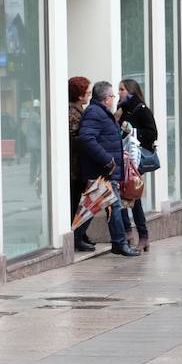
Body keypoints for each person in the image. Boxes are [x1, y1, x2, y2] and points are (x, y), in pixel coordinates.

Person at [76, 80, 139, 257]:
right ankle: (119, 243)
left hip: (105, 170)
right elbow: (86, 138)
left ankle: (77, 236)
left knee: (92, 206)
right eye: (112, 96)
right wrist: (108, 160)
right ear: (105, 98)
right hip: (102, 171)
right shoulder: (95, 113)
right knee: (114, 206)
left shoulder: (101, 112)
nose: (114, 98)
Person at [116, 78, 158, 252]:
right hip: (123, 158)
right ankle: (127, 232)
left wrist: (132, 130)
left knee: (134, 197)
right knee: (122, 195)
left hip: (136, 159)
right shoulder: (122, 109)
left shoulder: (141, 110)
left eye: (122, 89)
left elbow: (152, 133)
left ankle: (143, 235)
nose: (119, 93)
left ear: (131, 92)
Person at [67, 76, 94, 252]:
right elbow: (74, 140)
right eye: (87, 92)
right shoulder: (72, 113)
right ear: (79, 95)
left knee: (80, 200)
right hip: (75, 166)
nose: (89, 96)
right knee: (77, 201)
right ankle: (76, 235)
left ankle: (80, 234)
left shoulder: (78, 111)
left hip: (78, 165)